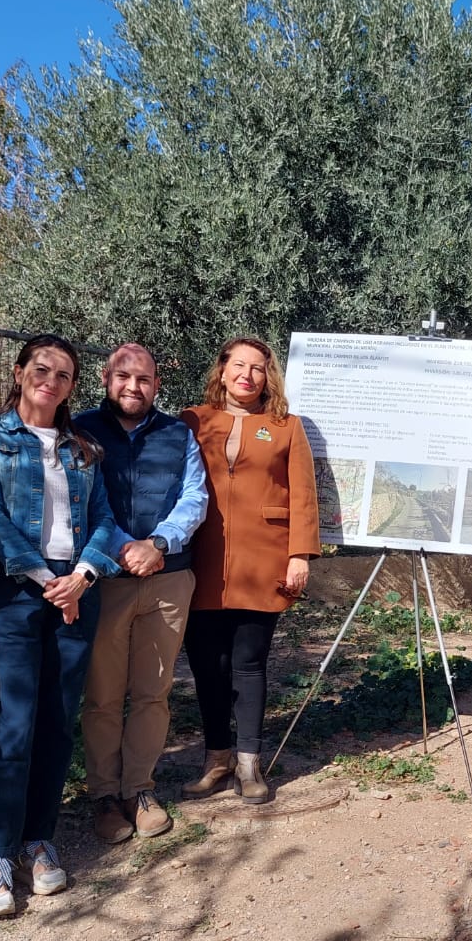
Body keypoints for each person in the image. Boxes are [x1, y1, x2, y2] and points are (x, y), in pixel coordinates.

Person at [0, 334, 118, 918]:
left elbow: (104, 518)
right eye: (41, 370)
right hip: (16, 591)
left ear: (72, 386)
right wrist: (43, 578)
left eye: (63, 375)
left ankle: (39, 841)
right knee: (14, 723)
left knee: (57, 720)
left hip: (77, 590)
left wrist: (81, 575)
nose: (50, 382)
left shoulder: (83, 447)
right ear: (20, 371)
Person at [74, 343, 208, 843]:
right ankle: (105, 796)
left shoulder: (178, 434)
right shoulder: (81, 429)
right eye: (124, 376)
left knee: (154, 692)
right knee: (104, 696)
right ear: (107, 378)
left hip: (167, 577)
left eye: (145, 379)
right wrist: (121, 548)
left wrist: (158, 544)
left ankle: (139, 788)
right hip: (103, 581)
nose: (134, 387)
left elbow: (195, 497)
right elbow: (81, 500)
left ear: (156, 384)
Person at [180, 337, 321, 805]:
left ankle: (248, 762)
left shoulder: (286, 427)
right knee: (206, 665)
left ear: (268, 376)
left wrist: (300, 553)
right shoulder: (191, 421)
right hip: (201, 558)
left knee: (248, 663)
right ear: (222, 371)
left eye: (257, 368)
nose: (247, 375)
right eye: (238, 365)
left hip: (265, 559)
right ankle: (216, 758)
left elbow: (302, 494)